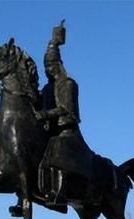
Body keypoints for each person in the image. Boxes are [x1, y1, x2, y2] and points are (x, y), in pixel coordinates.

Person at [36, 21, 94, 206]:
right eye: (46, 68)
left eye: (52, 66)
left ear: (59, 66)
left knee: (56, 146)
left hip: (66, 131)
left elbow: (66, 110)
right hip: (50, 130)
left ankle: (60, 193)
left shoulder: (68, 84)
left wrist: (46, 115)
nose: (49, 71)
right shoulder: (46, 89)